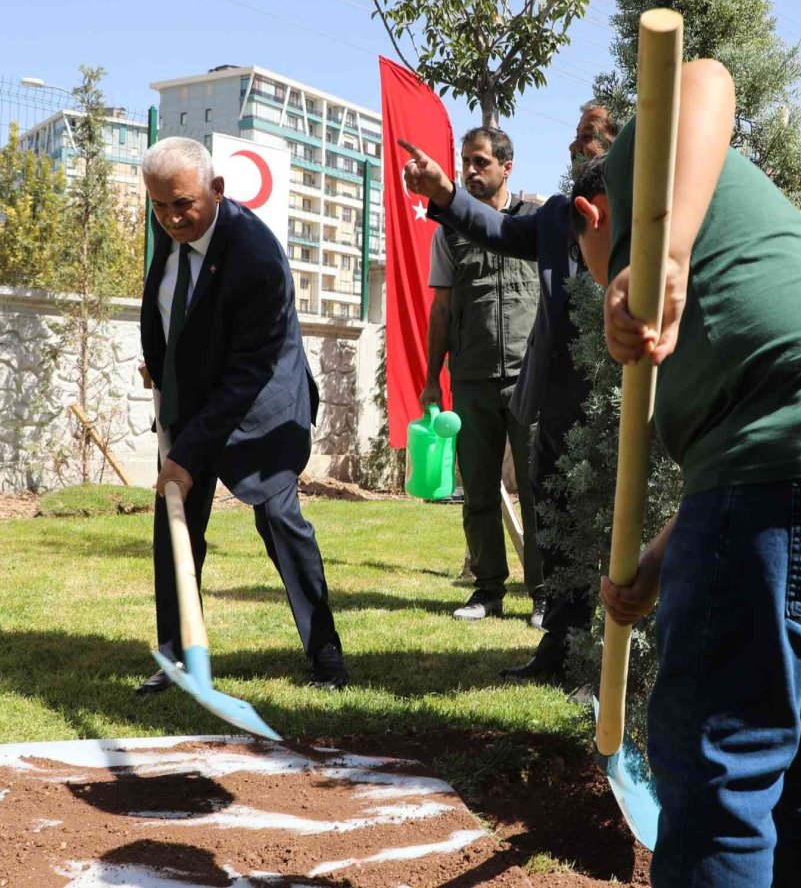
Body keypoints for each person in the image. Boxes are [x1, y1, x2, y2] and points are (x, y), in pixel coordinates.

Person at [571, 59, 801, 888]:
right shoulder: (752, 239)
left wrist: (662, 254)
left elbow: (705, 76)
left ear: (590, 217)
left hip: (780, 477)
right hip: (787, 477)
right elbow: (756, 443)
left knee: (722, 774)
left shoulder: (645, 181)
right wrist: (666, 553)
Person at [399, 102, 617, 684]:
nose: (575, 148)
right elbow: (493, 229)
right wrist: (444, 193)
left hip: (619, 396)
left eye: (588, 138)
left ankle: (617, 660)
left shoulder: (645, 218)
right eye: (573, 139)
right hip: (553, 395)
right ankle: (561, 650)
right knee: (555, 512)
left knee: (614, 527)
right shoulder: (552, 218)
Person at [137, 136, 347, 694]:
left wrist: (186, 453)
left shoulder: (254, 255)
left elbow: (250, 369)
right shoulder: (167, 225)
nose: (171, 218)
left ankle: (325, 651)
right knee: (175, 523)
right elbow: (168, 302)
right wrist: (161, 364)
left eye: (183, 204)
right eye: (158, 206)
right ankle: (177, 656)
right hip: (194, 396)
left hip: (262, 404)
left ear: (217, 190)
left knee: (280, 520)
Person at [421, 127, 542, 622]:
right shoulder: (448, 230)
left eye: (480, 162)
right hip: (471, 377)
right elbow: (441, 311)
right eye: (464, 162)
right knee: (478, 489)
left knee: (539, 490)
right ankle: (487, 591)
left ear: (506, 167)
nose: (469, 171)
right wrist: (432, 378)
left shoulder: (536, 221)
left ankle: (546, 593)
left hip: (530, 378)